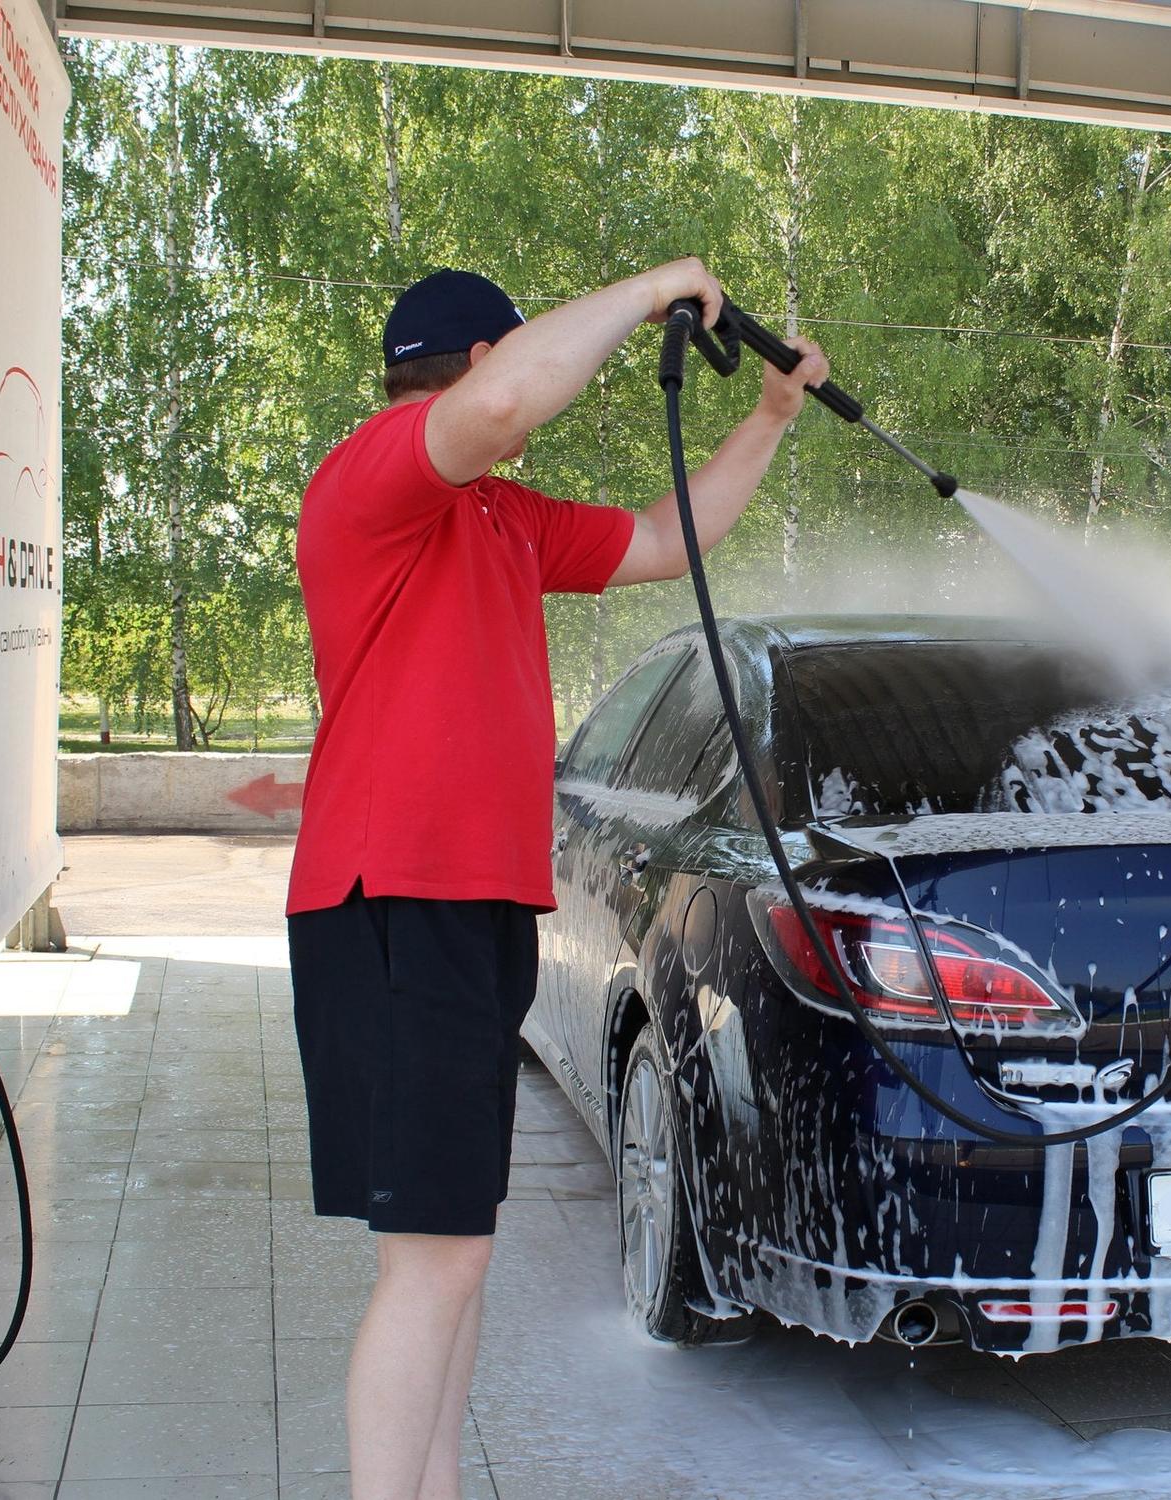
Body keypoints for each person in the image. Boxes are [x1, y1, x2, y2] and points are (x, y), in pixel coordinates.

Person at [284, 260, 827, 1499]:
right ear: (480, 362)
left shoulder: (503, 519)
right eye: (512, 357)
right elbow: (506, 409)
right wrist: (658, 290)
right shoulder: (375, 474)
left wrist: (769, 418)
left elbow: (661, 536)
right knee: (427, 1267)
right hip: (389, 906)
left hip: (475, 911)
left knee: (454, 1257)